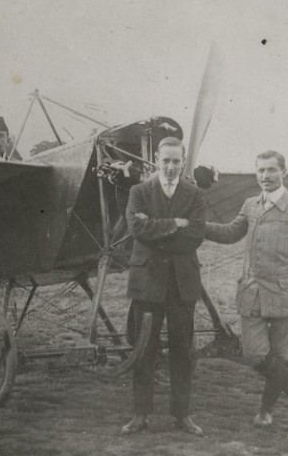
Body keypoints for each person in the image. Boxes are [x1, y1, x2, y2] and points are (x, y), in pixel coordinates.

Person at [204, 150, 288, 429]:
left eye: (271, 170)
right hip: (252, 292)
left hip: (284, 293)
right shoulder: (251, 205)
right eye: (260, 171)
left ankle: (265, 413)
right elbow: (231, 233)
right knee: (255, 354)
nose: (265, 176)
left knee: (280, 358)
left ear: (284, 172)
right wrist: (198, 227)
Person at [121, 136, 206, 436]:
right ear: (156, 160)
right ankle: (140, 414)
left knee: (183, 351)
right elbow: (137, 228)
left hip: (182, 285)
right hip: (147, 284)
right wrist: (174, 224)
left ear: (183, 163)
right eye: (165, 160)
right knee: (144, 349)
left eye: (176, 161)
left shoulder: (194, 194)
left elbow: (195, 235)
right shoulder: (139, 191)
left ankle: (181, 415)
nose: (170, 167)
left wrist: (157, 226)